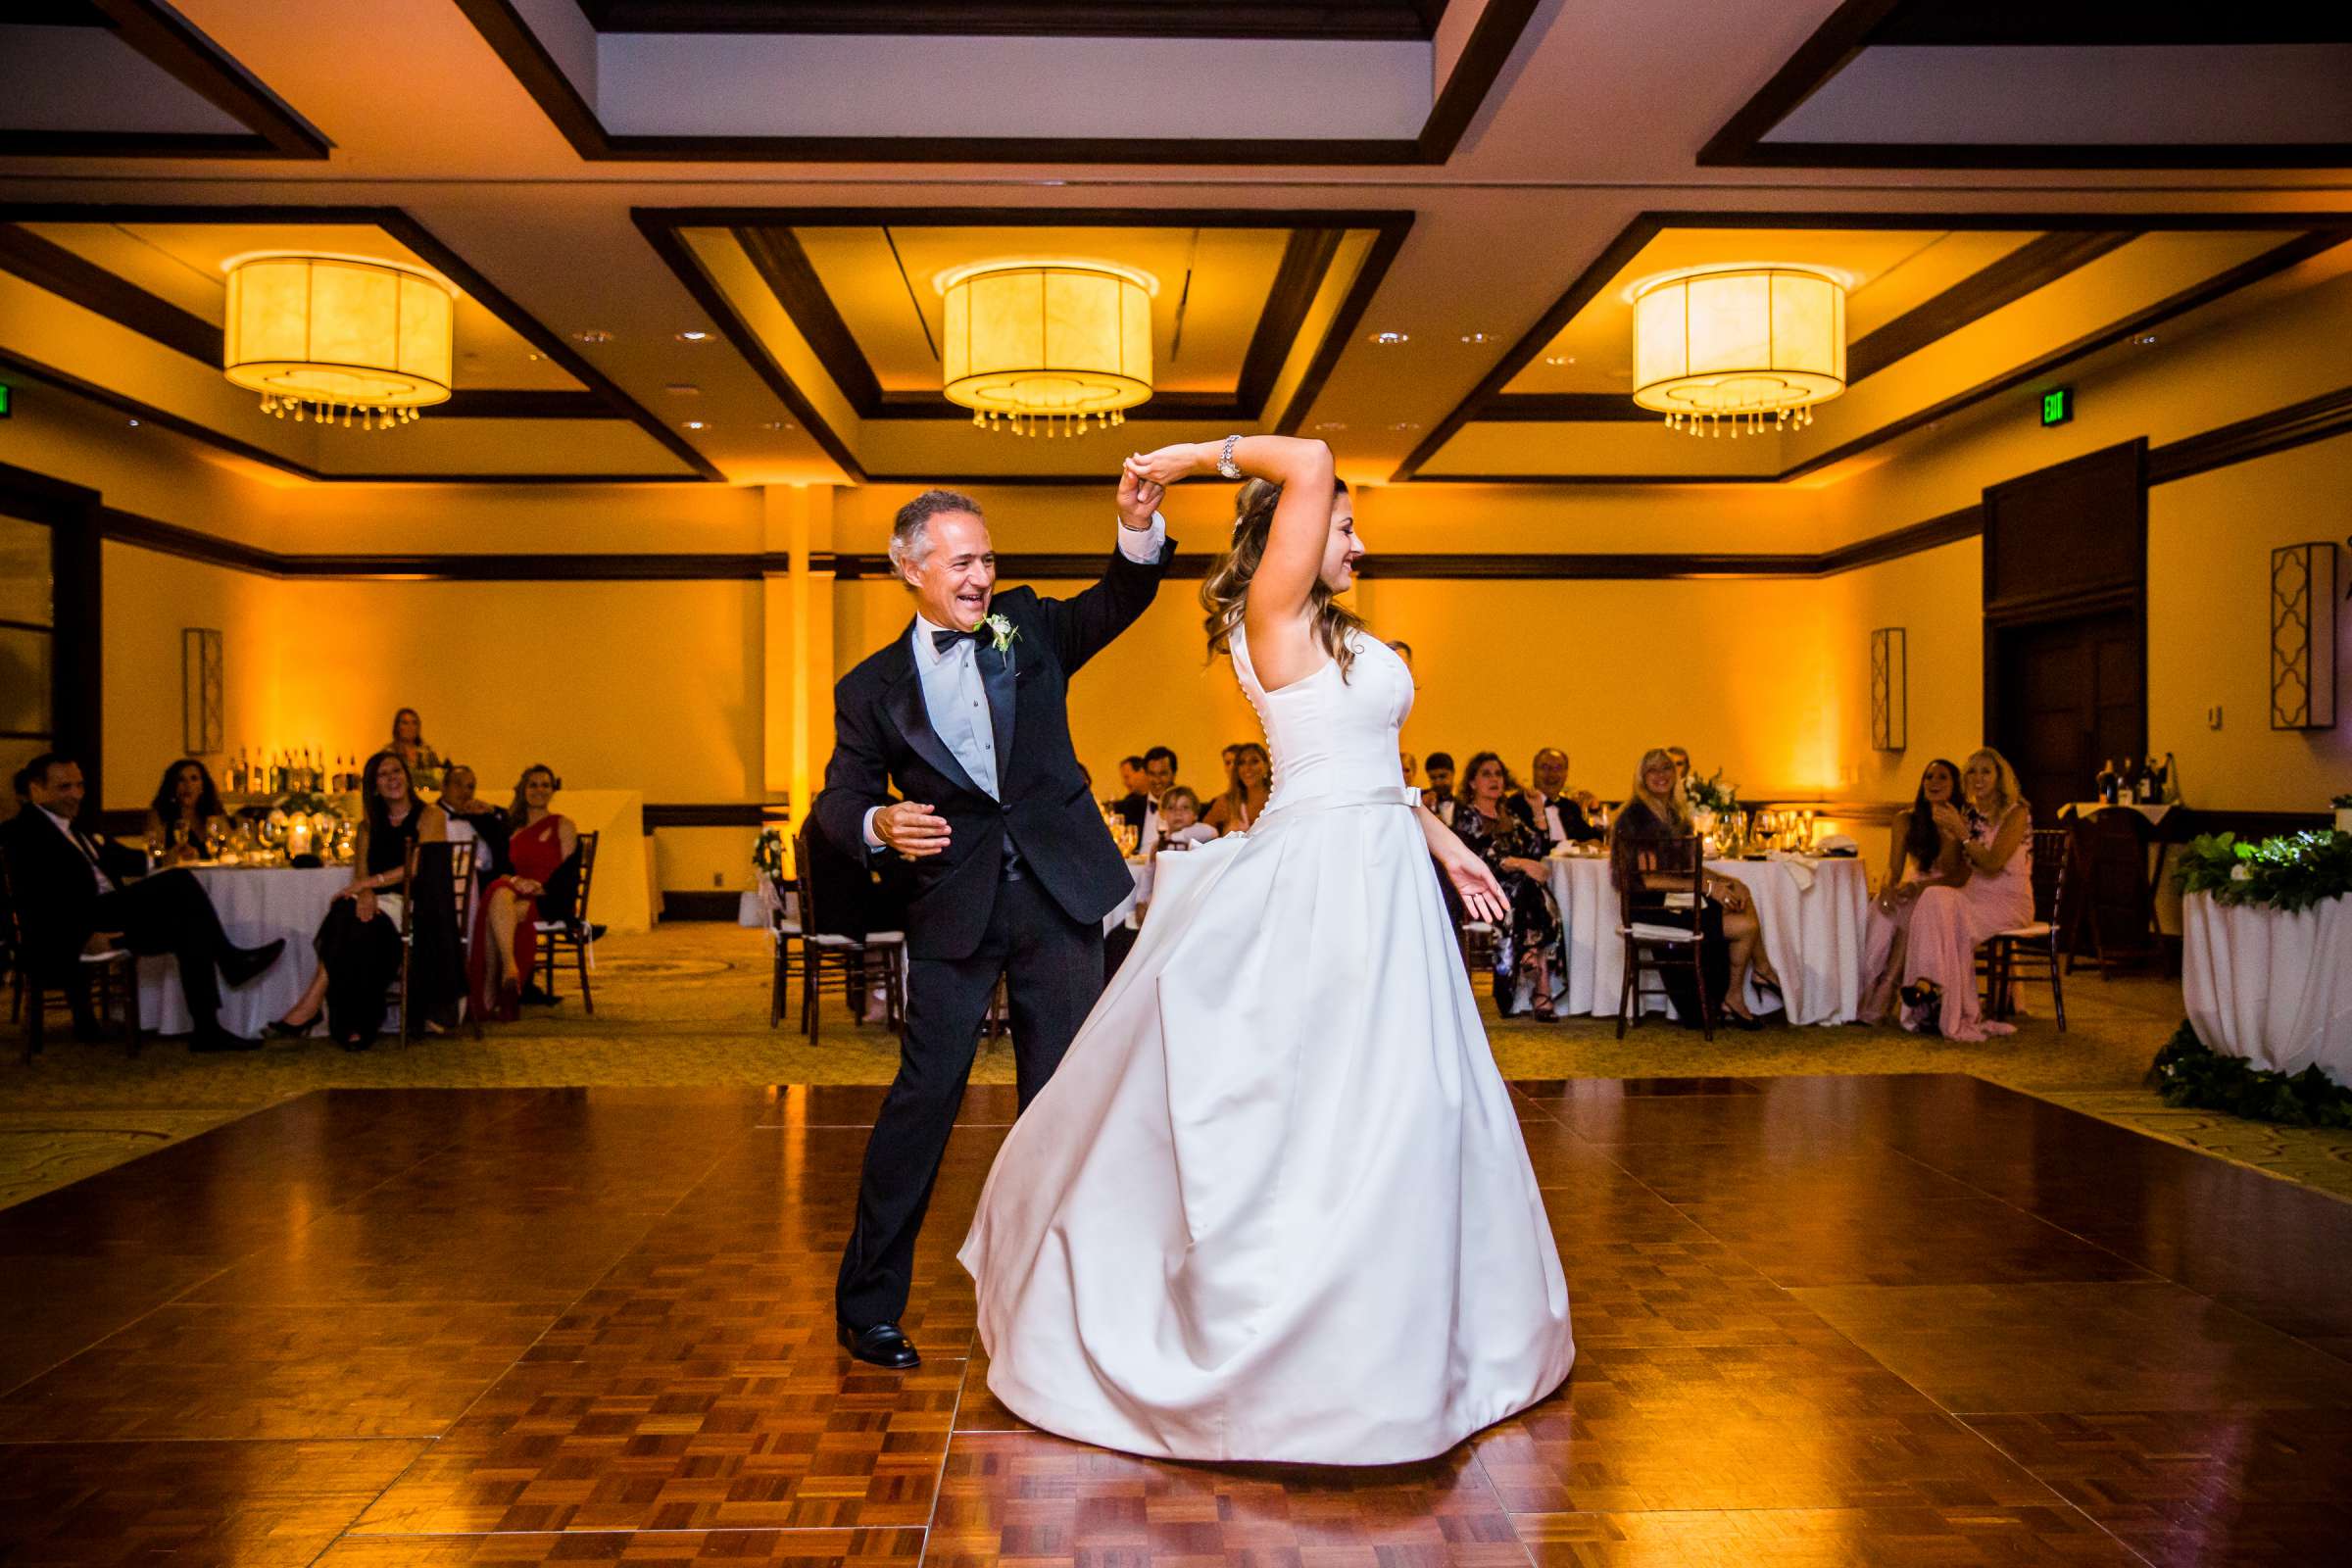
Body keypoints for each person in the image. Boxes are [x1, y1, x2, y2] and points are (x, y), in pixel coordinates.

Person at [962, 434, 1572, 1464]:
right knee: (1331, 1107)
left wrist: (1446, 838)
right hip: (1326, 880)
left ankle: (1421, 1336)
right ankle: (1306, 1348)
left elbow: (1372, 766)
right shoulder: (1274, 614)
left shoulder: (1329, 631)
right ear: (1284, 537)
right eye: (1342, 523)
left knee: (1413, 1100)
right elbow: (1313, 455)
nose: (1359, 540)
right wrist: (1189, 457)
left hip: (1382, 869)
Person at [814, 478, 1176, 1371]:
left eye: (987, 559)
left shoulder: (1028, 627)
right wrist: (877, 823)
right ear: (911, 568)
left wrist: (1136, 530)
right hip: (954, 907)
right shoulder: (871, 689)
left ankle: (1066, 1303)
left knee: (1064, 1100)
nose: (981, 577)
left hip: (1058, 900)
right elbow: (840, 798)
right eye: (962, 560)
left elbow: (1123, 595)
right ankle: (869, 1308)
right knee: (924, 1100)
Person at [1, 753, 282, 1052]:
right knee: (179, 882)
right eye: (64, 787)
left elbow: (121, 858)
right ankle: (231, 961)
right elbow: (37, 901)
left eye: (79, 786)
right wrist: (82, 936)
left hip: (108, 911)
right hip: (79, 926)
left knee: (188, 926)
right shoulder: (24, 833)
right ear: (36, 789)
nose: (76, 795)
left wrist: (164, 859)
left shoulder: (74, 827)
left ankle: (207, 1029)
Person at [270, 750, 448, 1049]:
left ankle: (313, 1004)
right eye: (383, 775)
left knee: (346, 914)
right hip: (379, 909)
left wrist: (369, 885)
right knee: (353, 921)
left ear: (407, 775)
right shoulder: (367, 828)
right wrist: (365, 894)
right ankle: (357, 1025)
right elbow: (360, 874)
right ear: (373, 786)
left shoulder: (431, 815)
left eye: (396, 771)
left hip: (416, 906)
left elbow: (417, 868)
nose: (392, 779)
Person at [1608, 747, 1777, 1030]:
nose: (1661, 775)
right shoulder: (1635, 817)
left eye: (1666, 769)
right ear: (1641, 777)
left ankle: (1745, 985)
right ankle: (1748, 982)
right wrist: (1708, 887)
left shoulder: (1675, 814)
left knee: (1741, 899)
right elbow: (1650, 880)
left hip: (1677, 900)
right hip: (1650, 906)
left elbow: (1689, 866)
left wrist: (1727, 882)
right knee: (1746, 925)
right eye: (1653, 770)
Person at [1898, 748, 2034, 1041]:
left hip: (2007, 900)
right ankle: (1928, 988)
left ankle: (1938, 997)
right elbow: (1950, 869)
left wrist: (1961, 833)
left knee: (1947, 910)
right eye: (1972, 772)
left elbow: (1992, 862)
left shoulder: (2016, 812)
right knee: (1934, 896)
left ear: (2000, 777)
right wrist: (1946, 833)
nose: (1978, 778)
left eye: (1986, 771)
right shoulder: (1967, 814)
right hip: (1972, 895)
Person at [1451, 751, 1566, 1019]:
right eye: (1486, 774)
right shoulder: (1467, 816)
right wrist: (1518, 863)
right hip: (1483, 894)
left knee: (1528, 888)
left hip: (1517, 894)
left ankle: (1531, 959)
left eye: (1498, 774)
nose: (1494, 780)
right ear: (1472, 783)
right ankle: (1542, 988)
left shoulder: (1508, 815)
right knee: (1528, 887)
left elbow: (1537, 848)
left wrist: (1538, 811)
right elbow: (1478, 857)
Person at [1858, 760, 1968, 1022]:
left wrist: (1952, 833)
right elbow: (1893, 869)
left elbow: (1958, 875)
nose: (1934, 783)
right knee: (1881, 913)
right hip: (1912, 884)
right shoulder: (1906, 820)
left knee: (1911, 918)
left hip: (1944, 892)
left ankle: (1887, 989)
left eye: (1942, 777)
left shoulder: (1963, 823)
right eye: (1928, 777)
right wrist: (1887, 890)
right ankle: (1865, 989)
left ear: (1955, 785)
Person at [469, 764, 577, 1021]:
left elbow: (568, 871)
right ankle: (509, 968)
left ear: (552, 790)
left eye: (545, 785)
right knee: (499, 895)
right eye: (533, 785)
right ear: (523, 790)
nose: (539, 790)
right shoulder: (512, 827)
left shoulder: (562, 824)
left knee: (493, 910)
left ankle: (491, 986)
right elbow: (500, 866)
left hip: (547, 897)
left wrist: (541, 888)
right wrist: (515, 881)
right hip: (514, 891)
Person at [1507, 748, 1602, 850]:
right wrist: (1571, 845)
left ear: (1566, 774)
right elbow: (1530, 844)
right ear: (1534, 771)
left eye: (1558, 768)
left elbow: (1593, 838)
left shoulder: (1570, 807)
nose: (1552, 774)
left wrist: (1595, 810)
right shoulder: (1517, 803)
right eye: (1545, 767)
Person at [144, 758, 229, 865]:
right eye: (181, 780)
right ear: (173, 785)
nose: (187, 785)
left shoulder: (215, 814)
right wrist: (172, 856)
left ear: (202, 786)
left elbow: (228, 851)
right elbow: (153, 858)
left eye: (194, 779)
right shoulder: (161, 814)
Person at [1201, 741, 1271, 835]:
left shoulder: (1279, 797)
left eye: (1254, 761)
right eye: (1242, 763)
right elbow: (1202, 834)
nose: (1247, 768)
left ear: (1266, 766)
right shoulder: (1226, 802)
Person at [389, 708, 443, 790]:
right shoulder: (390, 753)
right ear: (397, 727)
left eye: (414, 723)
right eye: (405, 723)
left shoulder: (427, 753)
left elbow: (438, 777)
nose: (410, 727)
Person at [1423, 751, 1458, 823]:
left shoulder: (1465, 806)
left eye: (1442, 776)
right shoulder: (1421, 801)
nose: (1438, 783)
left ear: (1453, 773)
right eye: (1433, 778)